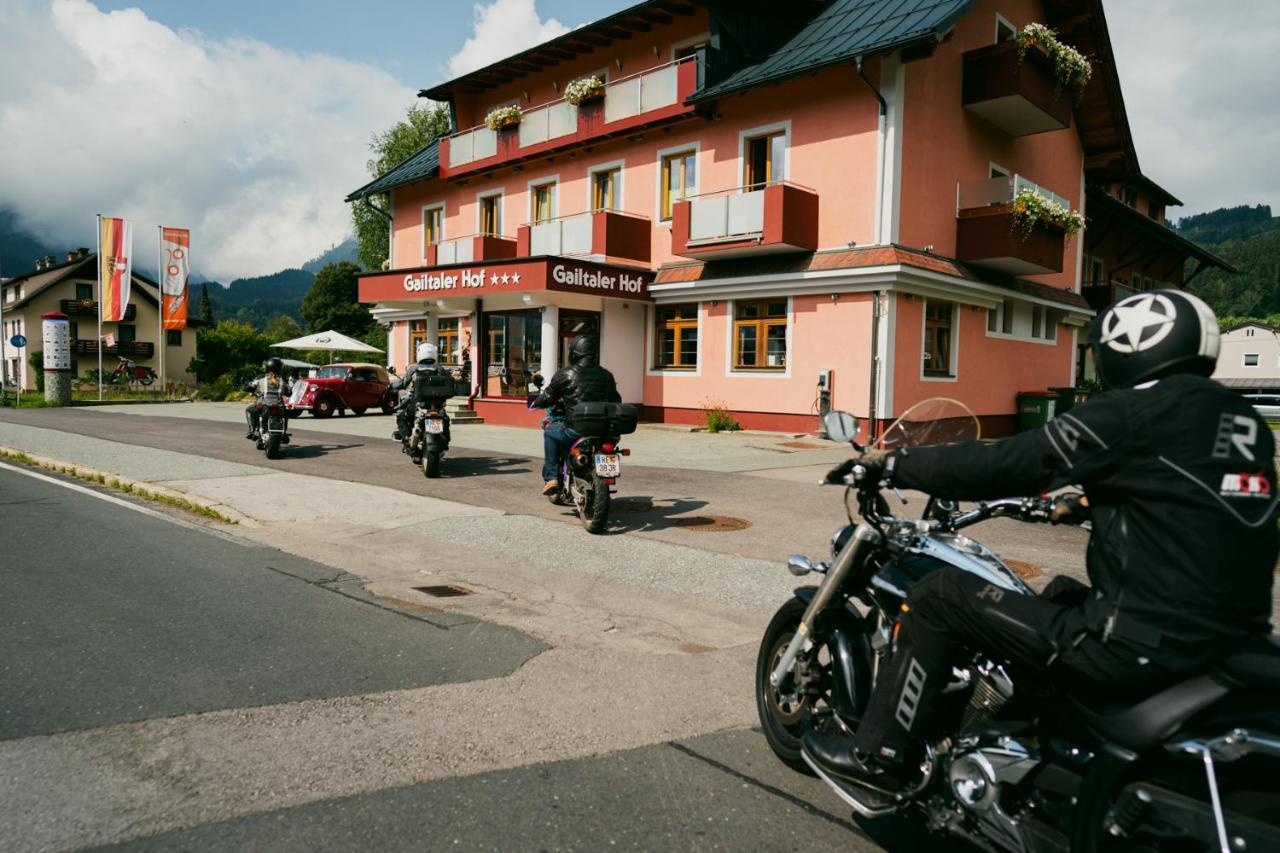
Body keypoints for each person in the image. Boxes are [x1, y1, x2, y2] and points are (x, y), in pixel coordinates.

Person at [803, 289, 1278, 792]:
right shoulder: (1239, 419)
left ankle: (882, 755)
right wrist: (1093, 502)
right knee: (1059, 594)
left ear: (1126, 345)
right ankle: (1026, 739)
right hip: (1227, 638)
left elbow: (1010, 462)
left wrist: (896, 465)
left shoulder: (1131, 410)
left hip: (1135, 647)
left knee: (940, 596)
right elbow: (1191, 498)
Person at [530, 334, 621, 496]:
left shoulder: (565, 374)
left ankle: (551, 477)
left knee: (550, 433)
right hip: (605, 429)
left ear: (574, 352)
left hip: (577, 429)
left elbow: (548, 397)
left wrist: (536, 402)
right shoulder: (607, 375)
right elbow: (617, 399)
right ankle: (604, 477)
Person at [389, 342, 457, 443]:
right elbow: (448, 381)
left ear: (419, 354)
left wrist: (391, 386)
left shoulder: (413, 368)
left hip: (417, 402)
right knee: (444, 418)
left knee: (402, 417)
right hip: (437, 403)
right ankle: (444, 439)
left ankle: (407, 438)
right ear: (434, 353)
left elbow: (402, 383)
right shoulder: (440, 369)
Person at [244, 357, 290, 439]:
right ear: (280, 368)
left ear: (268, 367)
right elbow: (289, 392)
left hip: (263, 405)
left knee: (249, 410)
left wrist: (247, 388)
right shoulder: (284, 380)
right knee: (285, 415)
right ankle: (284, 433)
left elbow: (250, 387)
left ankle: (252, 430)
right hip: (279, 406)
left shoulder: (260, 378)